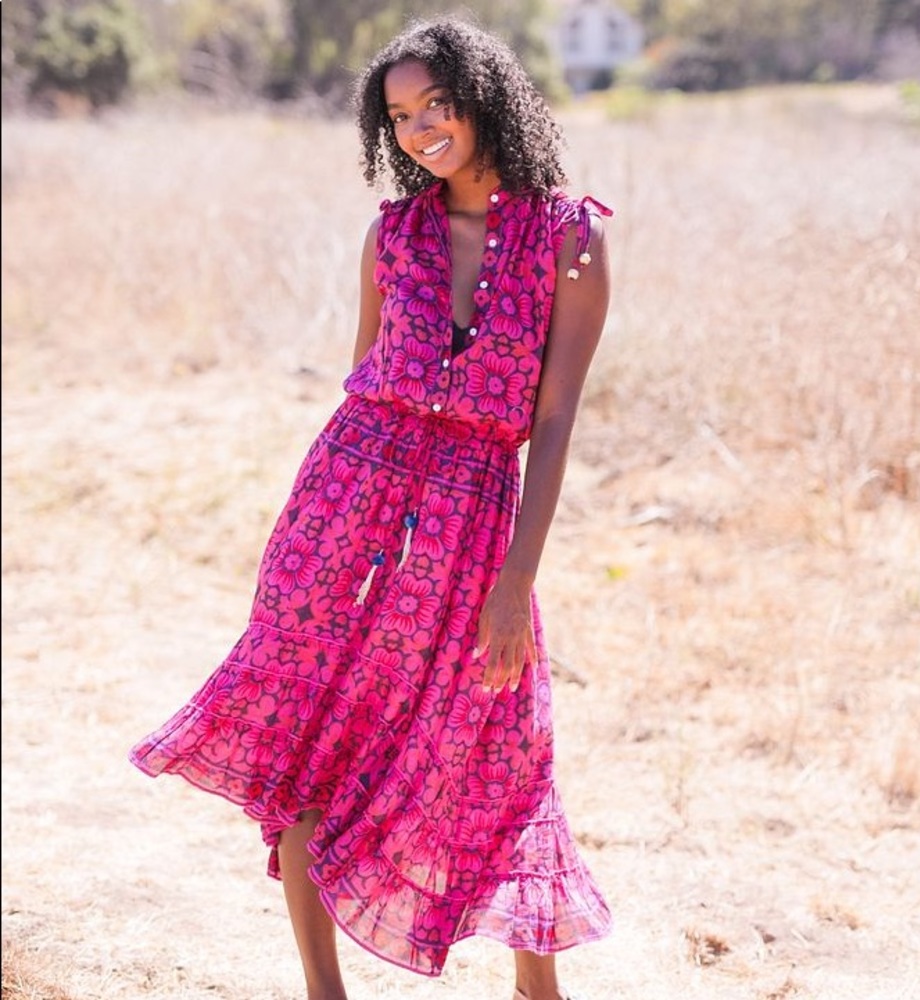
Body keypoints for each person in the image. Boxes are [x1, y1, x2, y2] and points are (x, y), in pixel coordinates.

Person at [129, 15, 613, 1000]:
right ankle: (323, 990)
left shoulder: (571, 237)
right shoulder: (392, 233)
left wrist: (517, 574)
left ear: (485, 98)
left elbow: (554, 419)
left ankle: (537, 987)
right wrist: (339, 521)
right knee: (315, 735)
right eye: (400, 116)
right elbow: (364, 374)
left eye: (438, 103)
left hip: (476, 516)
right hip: (347, 503)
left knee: (498, 741)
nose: (423, 127)